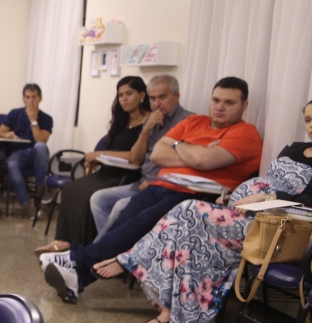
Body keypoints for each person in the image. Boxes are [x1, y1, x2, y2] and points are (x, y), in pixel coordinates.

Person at [101, 98, 312, 323]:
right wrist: (236, 196)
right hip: (243, 214)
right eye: (308, 119)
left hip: (276, 229)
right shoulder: (294, 148)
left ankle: (130, 259)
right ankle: (168, 316)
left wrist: (266, 197)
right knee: (187, 240)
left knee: (188, 209)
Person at [40, 77, 263, 304]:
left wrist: (179, 145)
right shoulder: (195, 121)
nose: (220, 107)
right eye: (216, 100)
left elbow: (202, 160)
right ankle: (77, 279)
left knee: (138, 225)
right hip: (161, 184)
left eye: (229, 102)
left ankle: (75, 260)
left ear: (244, 106)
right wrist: (189, 149)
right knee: (123, 222)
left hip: (195, 196)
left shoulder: (245, 133)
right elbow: (158, 153)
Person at [34, 76, 150, 252]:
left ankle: (83, 245)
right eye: (120, 95)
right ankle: (63, 239)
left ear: (142, 95)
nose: (124, 99)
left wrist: (101, 154)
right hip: (108, 170)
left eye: (129, 94)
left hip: (128, 175)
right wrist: (98, 158)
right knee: (72, 188)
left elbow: (136, 157)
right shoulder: (121, 120)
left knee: (89, 194)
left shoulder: (149, 123)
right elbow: (111, 147)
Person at [88, 75, 193, 240]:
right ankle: (114, 249)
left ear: (177, 96)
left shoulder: (189, 121)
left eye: (163, 97)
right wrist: (146, 129)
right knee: (98, 199)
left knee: (120, 207)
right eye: (153, 98)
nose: (157, 103)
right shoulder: (151, 119)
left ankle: (100, 251)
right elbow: (137, 158)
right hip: (141, 182)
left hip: (162, 186)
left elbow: (187, 162)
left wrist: (158, 181)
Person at [0, 84, 53, 217]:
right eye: (27, 97)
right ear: (23, 99)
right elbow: (0, 132)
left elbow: (41, 140)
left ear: (40, 98)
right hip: (18, 153)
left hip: (37, 155)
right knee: (12, 164)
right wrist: (7, 135)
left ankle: (41, 191)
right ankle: (25, 204)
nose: (31, 101)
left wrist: (33, 120)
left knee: (40, 147)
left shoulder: (46, 118)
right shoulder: (15, 113)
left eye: (34, 97)